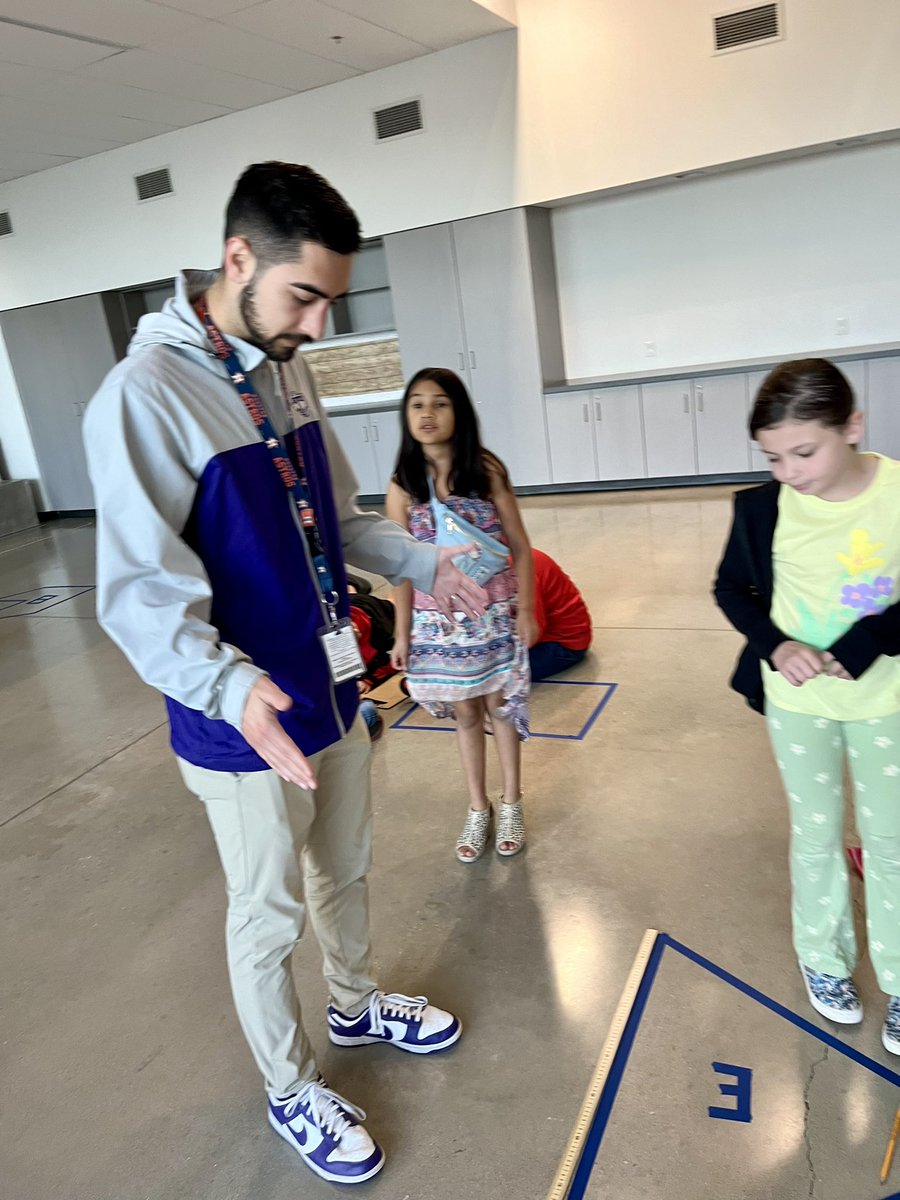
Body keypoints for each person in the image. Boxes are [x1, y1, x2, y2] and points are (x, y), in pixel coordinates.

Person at [83, 162, 490, 1186]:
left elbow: (341, 522)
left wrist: (428, 565)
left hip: (329, 688)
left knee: (343, 870)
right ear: (236, 259)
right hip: (241, 724)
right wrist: (228, 689)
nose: (316, 323)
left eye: (329, 301)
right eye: (303, 294)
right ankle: (289, 1083)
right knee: (263, 916)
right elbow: (136, 594)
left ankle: (355, 1004)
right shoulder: (143, 397)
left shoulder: (281, 365)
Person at [713, 358, 900, 1054]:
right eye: (772, 456)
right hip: (801, 707)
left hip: (887, 703)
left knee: (891, 843)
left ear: (852, 426)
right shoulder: (761, 507)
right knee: (817, 834)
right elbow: (732, 589)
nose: (788, 470)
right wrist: (775, 645)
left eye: (804, 452)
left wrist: (877, 636)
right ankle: (824, 960)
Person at [386, 367, 535, 862]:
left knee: (499, 706)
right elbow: (400, 569)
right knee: (467, 712)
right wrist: (401, 634)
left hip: (493, 614)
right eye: (417, 404)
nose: (428, 413)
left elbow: (521, 546)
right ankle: (478, 807)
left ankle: (511, 801)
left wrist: (527, 611)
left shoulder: (486, 471)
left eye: (440, 403)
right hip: (440, 623)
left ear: (460, 412)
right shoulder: (403, 485)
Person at [528, 547, 592, 680]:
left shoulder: (518, 571)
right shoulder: (514, 555)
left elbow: (531, 633)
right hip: (549, 635)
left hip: (563, 646)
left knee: (487, 674)